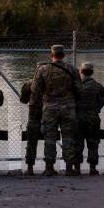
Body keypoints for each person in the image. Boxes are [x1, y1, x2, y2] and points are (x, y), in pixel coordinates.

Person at [30, 44, 82, 176]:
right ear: (63, 55)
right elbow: (79, 90)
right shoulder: (73, 70)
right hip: (68, 108)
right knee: (68, 137)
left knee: (50, 138)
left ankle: (49, 167)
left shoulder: (42, 70)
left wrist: (36, 109)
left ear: (51, 55)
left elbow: (35, 92)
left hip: (49, 108)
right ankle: (69, 167)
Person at [74, 62, 104, 176]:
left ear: (80, 71)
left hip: (78, 118)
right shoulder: (98, 86)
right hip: (93, 118)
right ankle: (92, 168)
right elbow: (102, 100)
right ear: (92, 72)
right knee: (93, 143)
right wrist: (96, 108)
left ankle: (77, 168)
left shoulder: (75, 86)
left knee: (78, 143)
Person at [21, 79, 42, 176]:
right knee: (51, 141)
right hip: (49, 115)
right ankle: (49, 167)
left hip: (34, 116)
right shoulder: (53, 82)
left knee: (31, 142)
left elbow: (24, 100)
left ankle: (30, 168)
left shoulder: (29, 84)